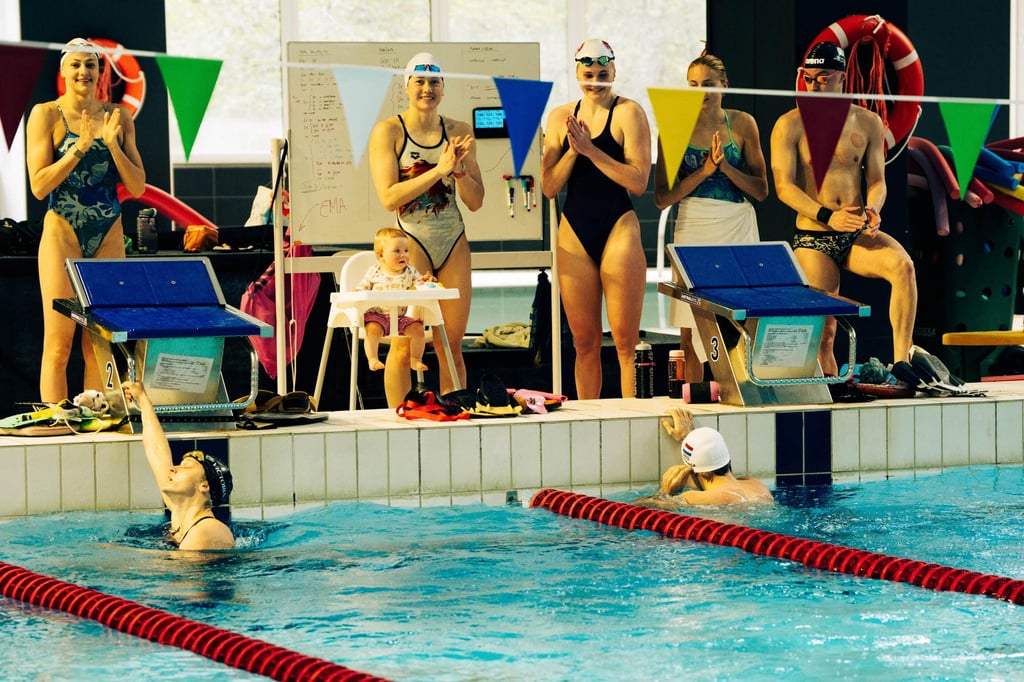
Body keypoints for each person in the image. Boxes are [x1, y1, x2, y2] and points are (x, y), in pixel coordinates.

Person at [770, 41, 917, 375]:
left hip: (855, 231)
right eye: (809, 78)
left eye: (823, 77)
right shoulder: (789, 125)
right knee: (826, 333)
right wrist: (827, 216)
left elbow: (878, 180)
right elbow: (784, 187)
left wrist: (873, 209)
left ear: (841, 77)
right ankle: (831, 394)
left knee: (903, 268)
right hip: (815, 236)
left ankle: (902, 365)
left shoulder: (867, 122)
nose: (815, 85)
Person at [26, 38, 146, 404]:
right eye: (75, 65)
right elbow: (39, 185)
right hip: (62, 231)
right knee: (59, 344)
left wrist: (110, 144)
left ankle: (99, 421)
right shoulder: (45, 114)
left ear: (100, 72)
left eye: (90, 65)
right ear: (63, 70)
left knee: (99, 342)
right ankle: (58, 422)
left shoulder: (118, 116)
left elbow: (138, 186)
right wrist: (79, 147)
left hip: (108, 232)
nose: (83, 72)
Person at [368, 52, 483, 407]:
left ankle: (453, 415)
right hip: (411, 243)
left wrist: (459, 171)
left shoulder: (460, 132)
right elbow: (389, 197)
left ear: (443, 88)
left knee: (451, 342)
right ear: (407, 87)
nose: (427, 89)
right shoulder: (389, 131)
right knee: (405, 340)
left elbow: (476, 200)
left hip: (453, 240)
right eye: (419, 81)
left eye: (434, 82)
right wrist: (438, 169)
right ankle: (397, 417)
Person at [540, 39, 652, 398]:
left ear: (614, 72)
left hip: (618, 224)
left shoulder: (629, 113)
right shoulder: (560, 117)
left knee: (624, 343)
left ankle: (632, 420)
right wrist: (575, 154)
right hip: (574, 227)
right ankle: (590, 425)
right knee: (584, 342)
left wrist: (591, 150)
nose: (596, 81)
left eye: (603, 74)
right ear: (577, 74)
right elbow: (548, 186)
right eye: (588, 74)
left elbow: (638, 181)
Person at [653, 53, 769, 383]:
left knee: (741, 319)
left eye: (708, 84)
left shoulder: (743, 123)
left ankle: (741, 392)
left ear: (724, 86)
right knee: (690, 326)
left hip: (736, 224)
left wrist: (726, 168)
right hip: (694, 225)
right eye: (692, 85)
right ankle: (697, 398)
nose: (700, 92)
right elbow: (662, 198)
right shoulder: (674, 127)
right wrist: (703, 172)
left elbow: (761, 191)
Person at [121, 381, 235, 550]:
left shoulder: (207, 532)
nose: (173, 468)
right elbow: (157, 452)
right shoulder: (179, 514)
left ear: (204, 486)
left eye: (186, 467)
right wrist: (142, 399)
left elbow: (181, 573)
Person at [639, 407, 773, 508]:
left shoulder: (692, 498)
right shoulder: (757, 485)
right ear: (729, 460)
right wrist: (690, 438)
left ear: (691, 471)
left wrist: (665, 493)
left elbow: (639, 511)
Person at [355, 227, 435, 373]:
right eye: (397, 251)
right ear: (380, 255)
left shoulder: (410, 271)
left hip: (401, 317)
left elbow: (419, 286)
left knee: (418, 331)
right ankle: (372, 358)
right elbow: (362, 288)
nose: (403, 255)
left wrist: (426, 281)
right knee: (372, 331)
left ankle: (416, 359)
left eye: (406, 251)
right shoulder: (375, 272)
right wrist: (357, 294)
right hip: (378, 315)